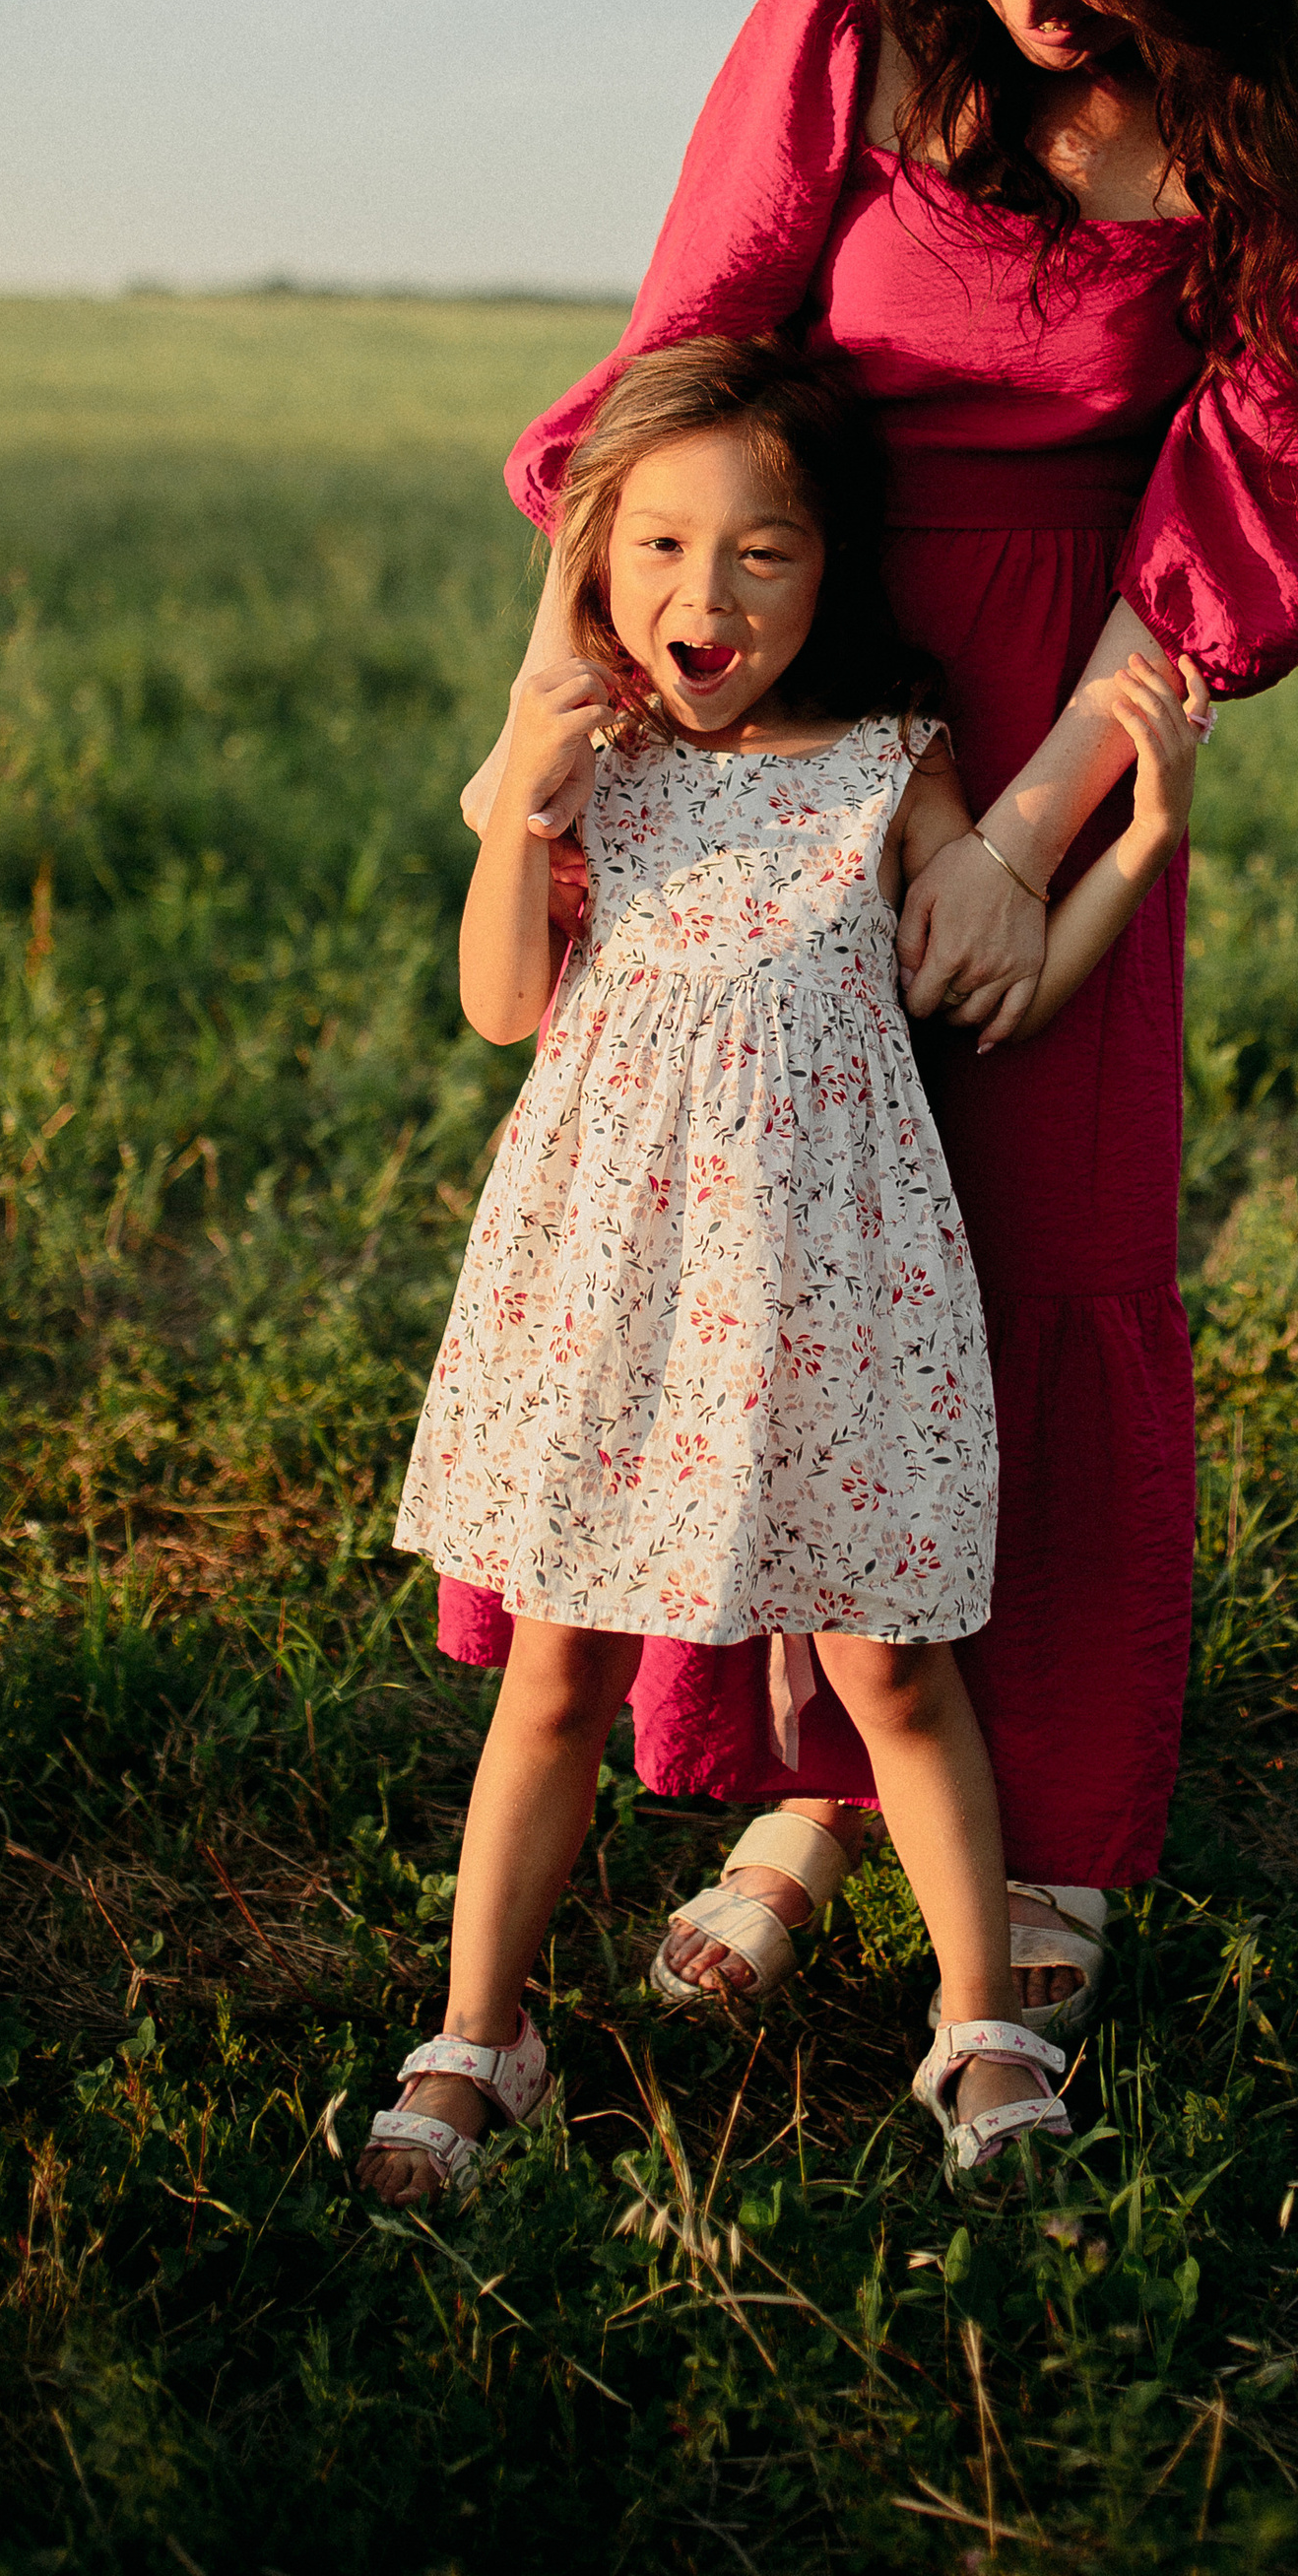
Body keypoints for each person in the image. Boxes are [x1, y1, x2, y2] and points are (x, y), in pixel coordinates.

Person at [454, 0, 1298, 2037]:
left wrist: (1023, 846)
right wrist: (561, 709)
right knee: (783, 1277)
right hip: (793, 686)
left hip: (1069, 725)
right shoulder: (845, 28)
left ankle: (1053, 1839)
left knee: (1028, 1269)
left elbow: (1246, 513)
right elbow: (692, 364)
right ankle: (807, 1779)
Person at [358, 337, 1205, 2200]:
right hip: (615, 1297)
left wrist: (1136, 850)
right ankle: (478, 2024)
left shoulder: (889, 765)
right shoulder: (594, 767)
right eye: (656, 549)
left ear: (834, 571)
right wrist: (528, 782)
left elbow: (999, 994)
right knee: (557, 1673)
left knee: (895, 1675)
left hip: (839, 1309)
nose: (705, 597)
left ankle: (977, 2023)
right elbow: (504, 1004)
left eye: (764, 553)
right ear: (593, 565)